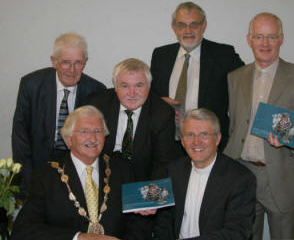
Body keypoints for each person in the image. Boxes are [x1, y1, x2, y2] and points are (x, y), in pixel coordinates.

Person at [224, 12, 294, 240]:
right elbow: (234, 127)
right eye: (258, 36)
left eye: (271, 36)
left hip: (283, 178)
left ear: (282, 39)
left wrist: (290, 140)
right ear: (249, 39)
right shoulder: (235, 77)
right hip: (243, 175)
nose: (265, 43)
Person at [11, 106, 145, 240]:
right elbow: (24, 230)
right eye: (84, 131)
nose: (93, 139)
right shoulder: (46, 176)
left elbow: (138, 223)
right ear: (69, 139)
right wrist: (77, 238)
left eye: (98, 131)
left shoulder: (123, 170)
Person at [12, 32, 106, 198]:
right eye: (65, 63)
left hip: (77, 167)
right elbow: (20, 137)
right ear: (54, 61)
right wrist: (27, 182)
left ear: (85, 63)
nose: (71, 70)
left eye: (78, 63)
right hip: (37, 165)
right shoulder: (31, 85)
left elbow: (96, 140)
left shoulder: (96, 90)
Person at [150, 1, 244, 152]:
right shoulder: (160, 55)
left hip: (208, 145)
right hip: (167, 144)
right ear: (174, 27)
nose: (188, 30)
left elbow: (246, 85)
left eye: (194, 24)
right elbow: (150, 94)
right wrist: (159, 103)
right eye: (181, 25)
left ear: (204, 25)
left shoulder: (223, 55)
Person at [154, 108, 256, 239]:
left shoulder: (241, 179)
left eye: (204, 135)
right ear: (183, 141)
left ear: (218, 139)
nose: (197, 142)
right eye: (190, 135)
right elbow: (164, 221)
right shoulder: (173, 171)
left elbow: (237, 232)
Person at [88, 58, 176, 181]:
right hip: (101, 175)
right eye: (125, 86)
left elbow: (162, 165)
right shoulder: (97, 105)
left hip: (142, 178)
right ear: (115, 87)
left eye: (139, 85)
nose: (132, 93)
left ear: (149, 86)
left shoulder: (163, 114)